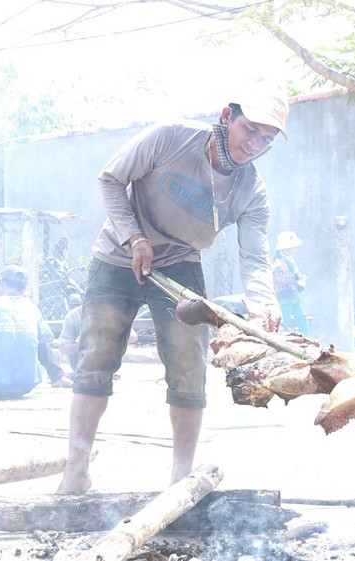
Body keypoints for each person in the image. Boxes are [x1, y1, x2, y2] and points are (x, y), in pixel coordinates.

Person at [56, 92, 289, 494]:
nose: (255, 143)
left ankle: (181, 480)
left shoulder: (252, 191)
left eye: (266, 138)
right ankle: (76, 470)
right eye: (250, 129)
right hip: (117, 255)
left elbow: (254, 257)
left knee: (188, 369)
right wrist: (135, 237)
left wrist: (263, 304)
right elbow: (109, 179)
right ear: (227, 116)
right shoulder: (169, 137)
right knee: (95, 360)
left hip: (180, 265)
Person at [0, 265, 73, 400]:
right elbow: (49, 338)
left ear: (2, 284)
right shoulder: (31, 308)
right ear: (23, 289)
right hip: (28, 384)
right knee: (38, 339)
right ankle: (56, 377)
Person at [57, 305, 137, 371]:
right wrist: (86, 345)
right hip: (80, 362)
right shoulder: (74, 315)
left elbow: (133, 337)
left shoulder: (113, 312)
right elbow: (63, 348)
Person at [272, 231, 310, 336]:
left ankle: (307, 338)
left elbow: (292, 280)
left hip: (293, 296)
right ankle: (280, 339)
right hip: (284, 297)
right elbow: (279, 279)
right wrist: (296, 277)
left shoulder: (291, 260)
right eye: (294, 246)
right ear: (286, 248)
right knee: (285, 320)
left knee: (302, 318)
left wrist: (300, 284)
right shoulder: (279, 262)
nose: (296, 248)